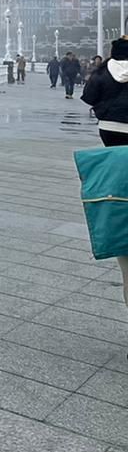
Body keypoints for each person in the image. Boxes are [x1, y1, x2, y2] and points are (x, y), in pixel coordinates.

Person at [81, 39, 128, 313]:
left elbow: (89, 96)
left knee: (116, 162)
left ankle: (117, 189)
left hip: (109, 128)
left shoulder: (103, 71)